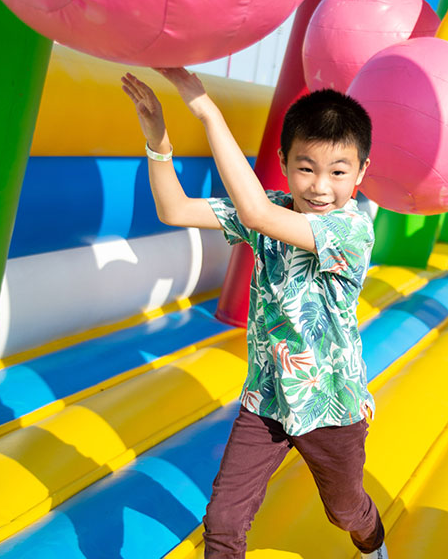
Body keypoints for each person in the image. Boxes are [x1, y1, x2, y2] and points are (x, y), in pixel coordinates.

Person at [121, 68, 388, 559]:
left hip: (330, 407)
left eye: (338, 172)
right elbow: (175, 210)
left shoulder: (351, 231)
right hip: (266, 400)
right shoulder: (271, 205)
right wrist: (157, 136)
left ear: (362, 173)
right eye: (306, 168)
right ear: (284, 163)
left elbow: (258, 217)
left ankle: (372, 542)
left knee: (345, 511)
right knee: (222, 521)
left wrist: (206, 110)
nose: (321, 187)